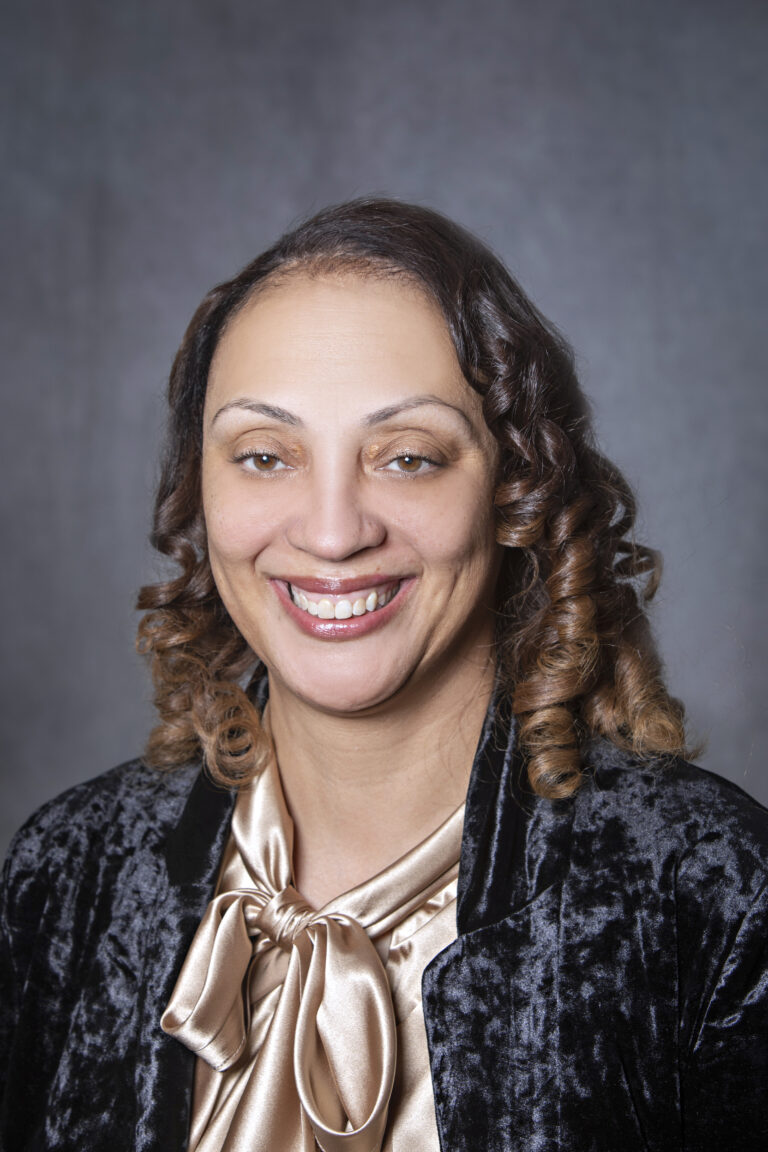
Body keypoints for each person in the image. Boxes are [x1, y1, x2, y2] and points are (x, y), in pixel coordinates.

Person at [1, 198, 766, 1152]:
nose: (332, 533)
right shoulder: (66, 874)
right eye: (265, 456)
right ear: (200, 489)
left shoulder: (712, 893)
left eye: (407, 458)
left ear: (517, 491)